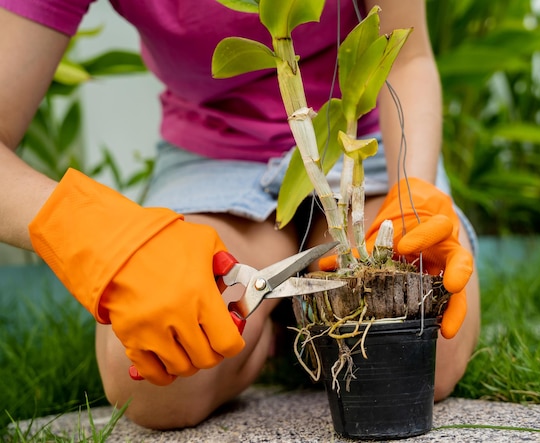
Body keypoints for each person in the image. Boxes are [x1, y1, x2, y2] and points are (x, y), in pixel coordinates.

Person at [0, 0, 480, 430]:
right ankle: (277, 328)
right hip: (212, 157)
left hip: (359, 141)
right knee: (155, 386)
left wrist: (412, 190)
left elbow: (407, 56)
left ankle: (286, 317)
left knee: (421, 346)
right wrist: (101, 236)